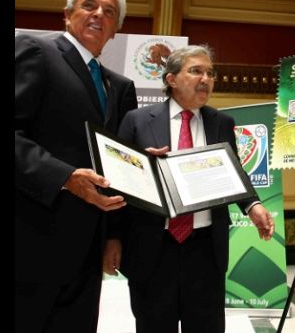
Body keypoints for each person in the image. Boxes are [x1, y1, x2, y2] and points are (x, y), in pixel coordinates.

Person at [103, 45, 275, 333]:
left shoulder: (222, 122)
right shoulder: (137, 120)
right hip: (152, 248)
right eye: (196, 71)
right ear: (171, 79)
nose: (206, 78)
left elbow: (235, 174)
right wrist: (113, 237)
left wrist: (253, 206)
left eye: (210, 73)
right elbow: (117, 182)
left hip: (205, 250)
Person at [15, 0, 138, 332]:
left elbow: (117, 159)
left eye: (109, 11)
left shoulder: (119, 85)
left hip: (88, 246)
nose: (99, 13)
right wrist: (64, 178)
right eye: (89, 5)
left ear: (116, 29)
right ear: (67, 15)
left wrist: (114, 234)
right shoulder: (37, 52)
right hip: (32, 240)